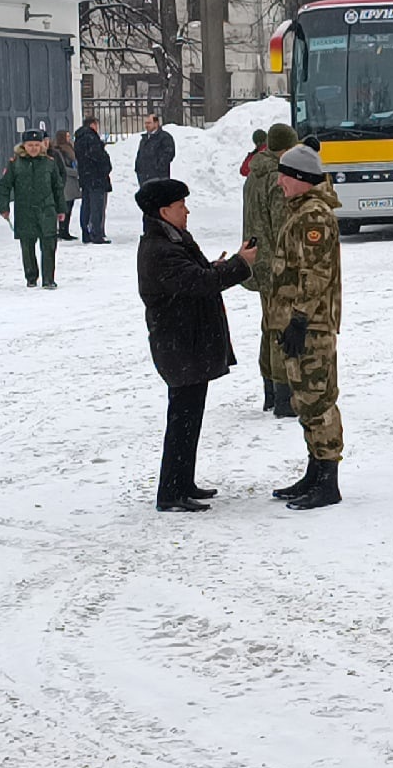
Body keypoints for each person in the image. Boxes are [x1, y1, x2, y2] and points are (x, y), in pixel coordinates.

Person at [136, 178, 258, 512]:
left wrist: (218, 266)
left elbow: (197, 275)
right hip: (179, 345)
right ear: (164, 211)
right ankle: (171, 493)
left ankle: (182, 482)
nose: (186, 211)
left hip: (186, 343)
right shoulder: (160, 248)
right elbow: (200, 282)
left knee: (189, 418)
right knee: (182, 419)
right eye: (181, 206)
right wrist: (239, 264)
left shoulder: (171, 239)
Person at [266, 145, 345, 509]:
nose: (279, 182)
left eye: (284, 175)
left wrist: (298, 317)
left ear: (300, 179)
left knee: (318, 400)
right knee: (304, 399)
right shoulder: (301, 212)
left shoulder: (313, 217)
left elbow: (316, 275)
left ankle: (327, 479)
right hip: (300, 323)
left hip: (311, 326)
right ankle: (315, 470)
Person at [243, 122, 299, 415]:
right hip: (275, 263)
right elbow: (282, 226)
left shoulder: (253, 175)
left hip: (256, 261)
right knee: (281, 327)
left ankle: (268, 388)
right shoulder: (277, 178)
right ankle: (283, 395)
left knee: (268, 326)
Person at [0, 130, 67, 288]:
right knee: (27, 246)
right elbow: (4, 186)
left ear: (42, 145)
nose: (33, 148)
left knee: (48, 245)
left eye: (36, 145)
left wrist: (61, 209)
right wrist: (4, 207)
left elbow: (58, 187)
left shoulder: (50, 162)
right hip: (25, 210)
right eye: (30, 145)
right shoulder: (15, 164)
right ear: (23, 146)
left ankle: (48, 279)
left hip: (47, 209)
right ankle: (31, 277)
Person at [75, 116, 114, 242]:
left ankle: (86, 232)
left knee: (86, 205)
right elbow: (98, 156)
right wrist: (106, 167)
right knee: (96, 207)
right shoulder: (91, 138)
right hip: (96, 177)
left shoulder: (79, 138)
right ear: (92, 125)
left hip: (85, 177)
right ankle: (96, 234)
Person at [51, 127, 83, 241]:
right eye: (67, 136)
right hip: (67, 182)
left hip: (72, 182)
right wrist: (76, 172)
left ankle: (65, 229)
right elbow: (62, 167)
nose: (69, 138)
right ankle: (62, 230)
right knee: (64, 207)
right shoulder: (59, 151)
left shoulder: (70, 148)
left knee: (70, 206)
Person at [135, 113, 176, 186]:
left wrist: (158, 167)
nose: (147, 125)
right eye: (145, 123)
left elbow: (169, 154)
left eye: (149, 123)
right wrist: (138, 169)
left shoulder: (164, 137)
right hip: (144, 177)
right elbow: (140, 154)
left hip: (159, 177)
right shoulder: (144, 139)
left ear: (156, 123)